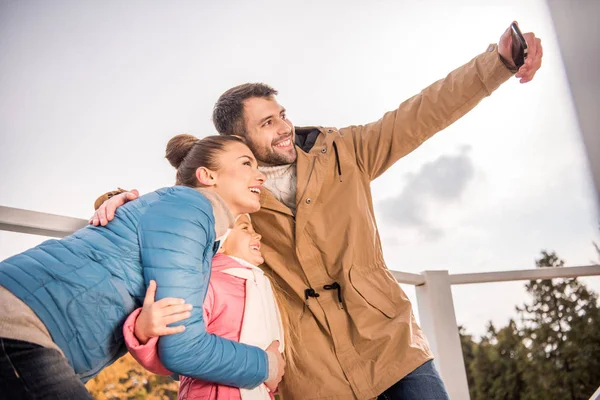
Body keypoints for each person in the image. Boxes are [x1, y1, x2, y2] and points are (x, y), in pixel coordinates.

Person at [93, 23, 543, 399]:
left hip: (390, 345)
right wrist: (118, 202)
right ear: (240, 141)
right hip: (311, 372)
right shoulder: (230, 199)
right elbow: (173, 213)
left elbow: (421, 112)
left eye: (283, 114)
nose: (285, 128)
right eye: (267, 123)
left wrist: (498, 63)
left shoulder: (345, 151)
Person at [0, 135, 285, 399]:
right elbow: (183, 350)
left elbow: (177, 351)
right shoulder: (190, 207)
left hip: (44, 335)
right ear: (207, 175)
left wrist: (144, 332)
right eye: (246, 163)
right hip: (22, 320)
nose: (259, 175)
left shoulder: (199, 236)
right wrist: (267, 365)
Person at [123, 213, 292, 400]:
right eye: (245, 228)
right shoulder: (207, 283)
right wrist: (144, 332)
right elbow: (176, 346)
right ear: (222, 241)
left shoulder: (261, 287)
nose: (257, 235)